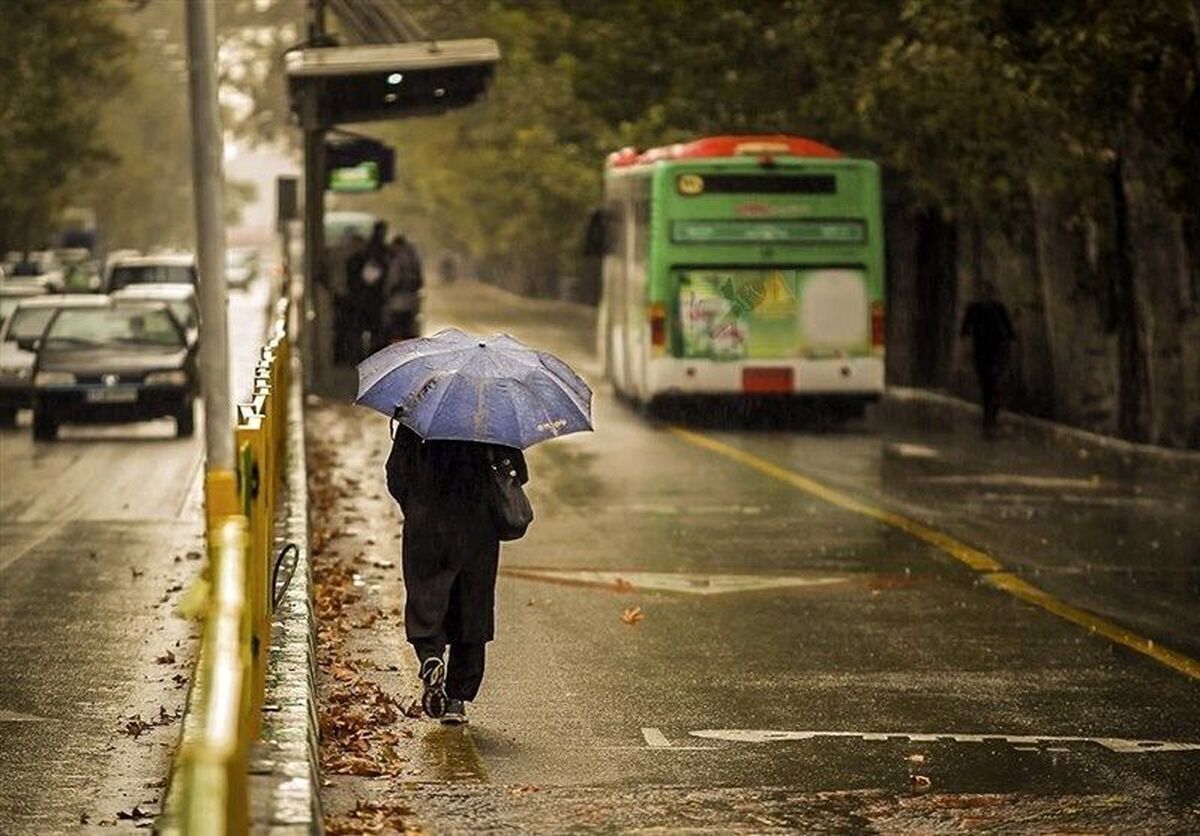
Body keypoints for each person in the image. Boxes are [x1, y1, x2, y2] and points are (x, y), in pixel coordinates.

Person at [385, 423, 528, 725]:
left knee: (426, 598)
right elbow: (516, 474)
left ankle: (430, 656)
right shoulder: (494, 420)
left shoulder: (418, 419)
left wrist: (416, 506)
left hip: (427, 522)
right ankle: (456, 699)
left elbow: (396, 474)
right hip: (478, 528)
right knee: (472, 608)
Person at [960, 283, 1015, 437]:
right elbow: (965, 331)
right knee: (987, 385)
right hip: (982, 352)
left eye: (989, 292)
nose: (986, 295)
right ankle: (988, 420)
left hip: (996, 352)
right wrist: (966, 351)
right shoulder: (974, 308)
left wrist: (1007, 353)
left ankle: (990, 420)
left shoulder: (999, 308)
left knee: (994, 385)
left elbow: (1009, 333)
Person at [383, 234, 423, 341]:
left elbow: (392, 280)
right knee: (408, 329)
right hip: (411, 301)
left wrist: (386, 292)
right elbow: (420, 281)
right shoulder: (413, 259)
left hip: (397, 302)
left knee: (396, 330)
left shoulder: (396, 260)